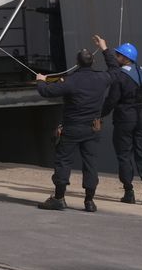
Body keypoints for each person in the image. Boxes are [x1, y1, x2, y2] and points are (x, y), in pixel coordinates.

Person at [35, 50, 110, 211]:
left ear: (77, 62)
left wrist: (41, 81)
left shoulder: (71, 81)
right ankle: (89, 201)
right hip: (92, 128)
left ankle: (59, 198)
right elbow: (116, 71)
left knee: (63, 161)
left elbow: (46, 92)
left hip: (72, 128)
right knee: (90, 163)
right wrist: (105, 50)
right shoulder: (102, 78)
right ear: (93, 61)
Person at [96, 35, 142, 206]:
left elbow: (112, 100)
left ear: (125, 58)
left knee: (124, 155)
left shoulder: (120, 77)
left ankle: (129, 192)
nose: (116, 58)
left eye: (118, 55)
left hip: (125, 119)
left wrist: (100, 115)